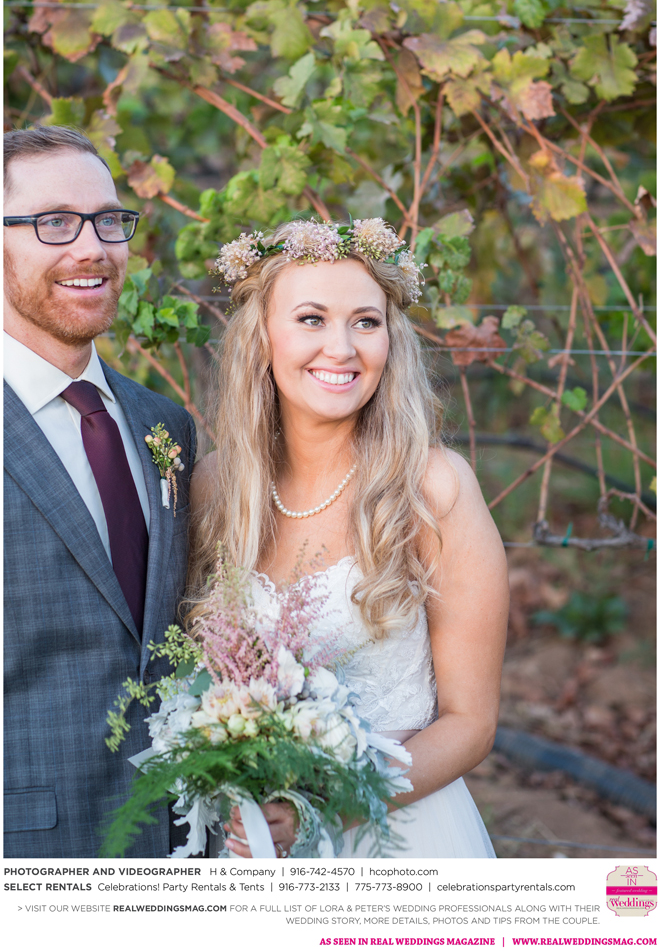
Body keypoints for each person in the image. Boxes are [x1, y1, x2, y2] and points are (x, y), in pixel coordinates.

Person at [188, 217, 509, 858]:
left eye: (365, 322)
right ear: (262, 338)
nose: (341, 348)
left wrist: (324, 805)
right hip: (248, 846)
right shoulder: (216, 486)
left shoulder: (433, 488)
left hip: (395, 838)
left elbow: (471, 725)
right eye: (311, 319)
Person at [3, 126, 196, 858]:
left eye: (108, 220)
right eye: (54, 222)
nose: (92, 248)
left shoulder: (165, 425)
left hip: (183, 845)